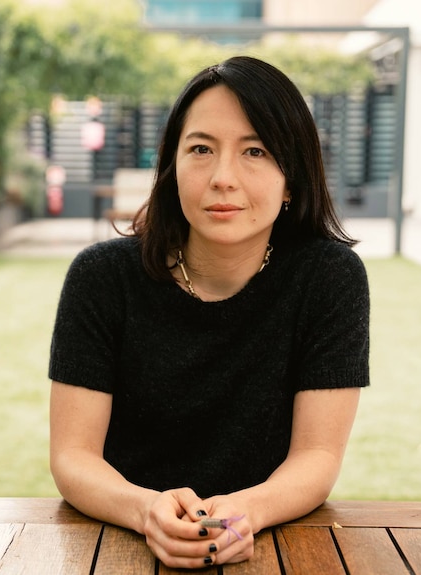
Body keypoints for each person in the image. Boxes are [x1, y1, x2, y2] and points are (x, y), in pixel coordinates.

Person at [48, 55, 369, 569]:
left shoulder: (328, 278)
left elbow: (318, 456)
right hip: (116, 544)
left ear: (293, 177)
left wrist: (246, 512)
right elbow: (72, 456)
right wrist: (147, 510)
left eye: (256, 151)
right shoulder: (101, 278)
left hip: (270, 545)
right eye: (201, 149)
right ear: (172, 165)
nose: (223, 177)